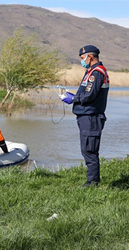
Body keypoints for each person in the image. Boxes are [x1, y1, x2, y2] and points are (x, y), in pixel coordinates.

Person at [61, 45, 109, 187]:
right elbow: (86, 92)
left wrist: (74, 99)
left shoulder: (97, 73)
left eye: (82, 58)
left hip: (91, 117)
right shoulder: (91, 71)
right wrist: (74, 96)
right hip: (86, 117)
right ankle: (92, 180)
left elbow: (89, 95)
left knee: (90, 150)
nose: (82, 61)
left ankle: (92, 182)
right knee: (87, 149)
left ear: (90, 57)